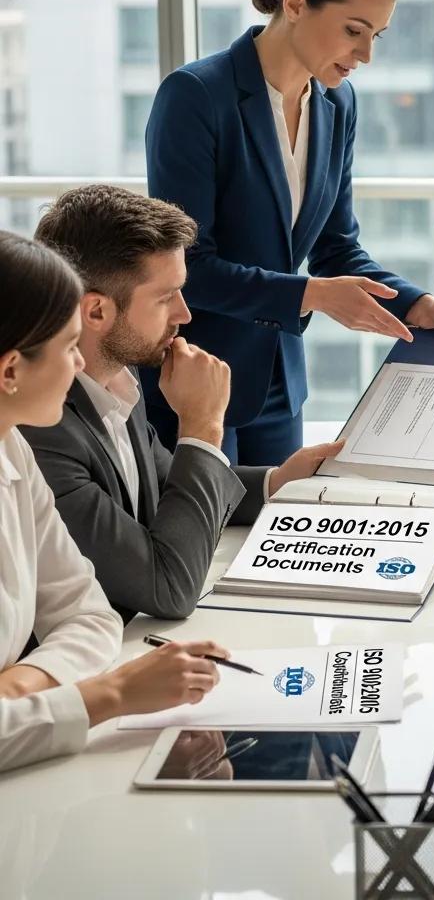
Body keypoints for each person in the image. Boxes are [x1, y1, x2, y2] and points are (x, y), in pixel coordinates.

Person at [144, 0, 434, 465]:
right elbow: (189, 267)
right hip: (195, 378)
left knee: (275, 538)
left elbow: (337, 248)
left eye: (377, 35)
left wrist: (415, 303)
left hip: (280, 381)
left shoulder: (336, 105)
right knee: (205, 541)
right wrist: (313, 296)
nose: (365, 54)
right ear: (295, 3)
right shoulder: (196, 96)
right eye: (354, 30)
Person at [21, 186, 343, 623]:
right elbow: (167, 588)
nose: (185, 313)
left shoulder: (118, 376)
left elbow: (165, 489)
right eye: (165, 296)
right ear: (95, 312)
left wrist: (278, 481)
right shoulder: (40, 431)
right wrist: (202, 424)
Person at [0, 231, 227, 773]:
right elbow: (157, 592)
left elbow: (88, 612)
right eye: (67, 347)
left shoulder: (11, 446)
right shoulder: (33, 440)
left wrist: (20, 690)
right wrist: (113, 693)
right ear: (10, 371)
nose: (80, 366)